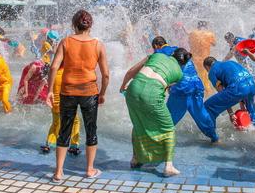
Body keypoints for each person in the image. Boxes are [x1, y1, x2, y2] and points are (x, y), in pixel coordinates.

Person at [46, 9, 109, 183]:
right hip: (90, 92)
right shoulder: (98, 44)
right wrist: (102, 93)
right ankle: (89, 169)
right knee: (91, 130)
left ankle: (58, 172)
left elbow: (53, 67)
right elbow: (105, 74)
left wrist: (50, 91)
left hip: (68, 91)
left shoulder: (65, 42)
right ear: (91, 25)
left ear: (74, 24)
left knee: (64, 130)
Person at [122, 47, 189, 176]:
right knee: (168, 128)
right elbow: (163, 90)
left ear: (173, 54)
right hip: (152, 94)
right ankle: (169, 166)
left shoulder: (156, 55)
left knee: (138, 124)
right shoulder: (179, 74)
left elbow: (131, 71)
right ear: (183, 63)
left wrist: (123, 86)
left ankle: (135, 159)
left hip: (132, 90)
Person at [146, 37, 217, 142]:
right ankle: (215, 138)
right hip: (197, 85)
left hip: (181, 88)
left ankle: (154, 141)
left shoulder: (158, 53)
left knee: (167, 120)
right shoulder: (179, 49)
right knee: (201, 116)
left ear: (156, 46)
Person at [202, 56, 255, 136]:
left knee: (207, 107)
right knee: (251, 109)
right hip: (251, 85)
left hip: (238, 88)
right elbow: (240, 78)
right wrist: (242, 103)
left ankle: (213, 137)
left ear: (207, 67)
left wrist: (231, 114)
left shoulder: (212, 71)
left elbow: (221, 91)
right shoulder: (231, 62)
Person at [188, 21, 216, 94]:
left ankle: (196, 92)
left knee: (196, 76)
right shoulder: (209, 34)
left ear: (198, 26)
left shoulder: (193, 33)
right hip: (205, 60)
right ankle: (207, 94)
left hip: (194, 59)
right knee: (205, 78)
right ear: (206, 27)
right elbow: (214, 44)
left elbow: (189, 42)